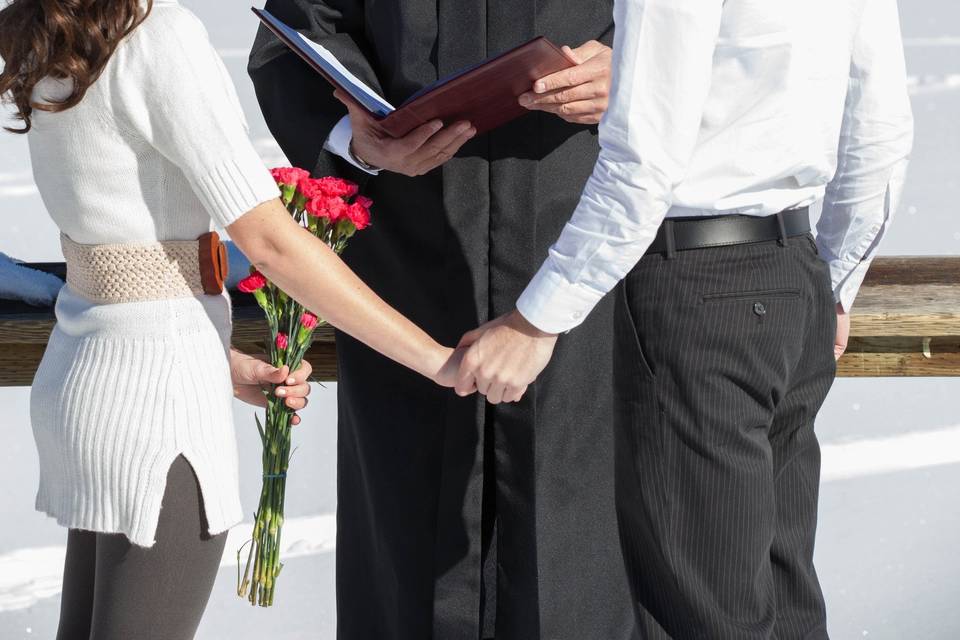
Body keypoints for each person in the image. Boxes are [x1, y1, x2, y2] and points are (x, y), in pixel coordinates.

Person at [0, 0, 466, 638]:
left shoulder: (49, 34)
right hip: (159, 407)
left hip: (88, 381)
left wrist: (216, 360)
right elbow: (271, 242)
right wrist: (439, 360)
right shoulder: (156, 36)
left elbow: (116, 249)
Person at [457, 0, 914, 637]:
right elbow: (882, 132)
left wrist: (538, 321)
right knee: (784, 602)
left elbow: (641, 164)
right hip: (795, 276)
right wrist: (831, 285)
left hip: (697, 287)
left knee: (707, 611)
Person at [248, 2, 638, 639]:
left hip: (582, 260)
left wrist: (638, 74)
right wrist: (353, 135)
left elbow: (736, 40)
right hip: (407, 273)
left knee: (580, 558)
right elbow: (291, 40)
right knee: (410, 559)